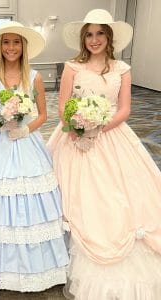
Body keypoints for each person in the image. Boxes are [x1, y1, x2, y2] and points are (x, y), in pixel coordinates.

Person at [47, 8, 161, 300]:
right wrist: (77, 126)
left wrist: (99, 127)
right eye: (89, 34)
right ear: (83, 38)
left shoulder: (121, 68)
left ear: (109, 38)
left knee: (120, 193)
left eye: (100, 34)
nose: (94, 40)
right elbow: (62, 106)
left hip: (112, 134)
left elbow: (124, 109)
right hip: (74, 134)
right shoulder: (72, 66)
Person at [0, 21, 69, 292]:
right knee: (0, 197)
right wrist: (0, 122)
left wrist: (25, 128)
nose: (11, 47)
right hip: (0, 144)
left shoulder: (35, 77)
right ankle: (5, 268)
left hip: (28, 143)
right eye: (6, 42)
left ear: (23, 46)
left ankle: (40, 266)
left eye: (16, 42)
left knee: (34, 196)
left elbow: (43, 114)